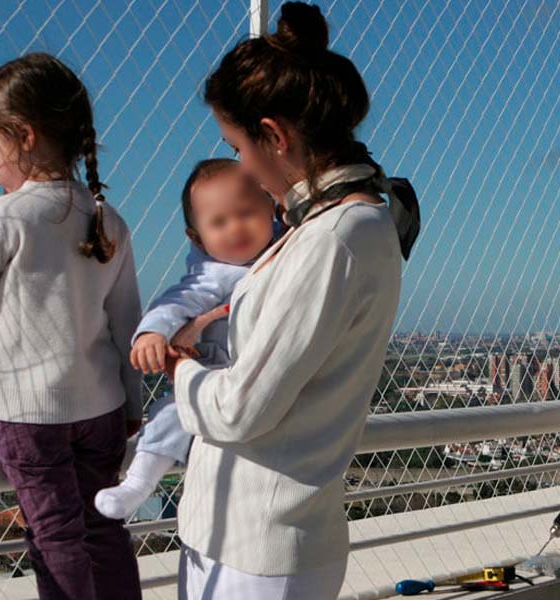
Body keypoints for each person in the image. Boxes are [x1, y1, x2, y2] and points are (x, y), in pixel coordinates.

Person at [164, 3, 420, 598]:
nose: (242, 167)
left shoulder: (333, 239)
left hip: (262, 547)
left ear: (274, 136)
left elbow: (238, 410)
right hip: (246, 537)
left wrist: (182, 367)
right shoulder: (338, 226)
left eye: (238, 147)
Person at [0, 53, 142, 600]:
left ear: (22, 134)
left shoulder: (2, 216)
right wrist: (132, 403)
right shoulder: (105, 217)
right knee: (102, 527)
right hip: (104, 408)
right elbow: (127, 322)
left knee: (55, 536)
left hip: (30, 413)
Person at [94, 158, 280, 520]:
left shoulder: (286, 248)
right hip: (214, 370)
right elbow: (178, 300)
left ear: (270, 209)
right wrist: (152, 332)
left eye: (246, 213)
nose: (236, 228)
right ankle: (138, 484)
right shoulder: (215, 273)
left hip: (260, 372)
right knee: (170, 413)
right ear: (198, 238)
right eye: (219, 223)